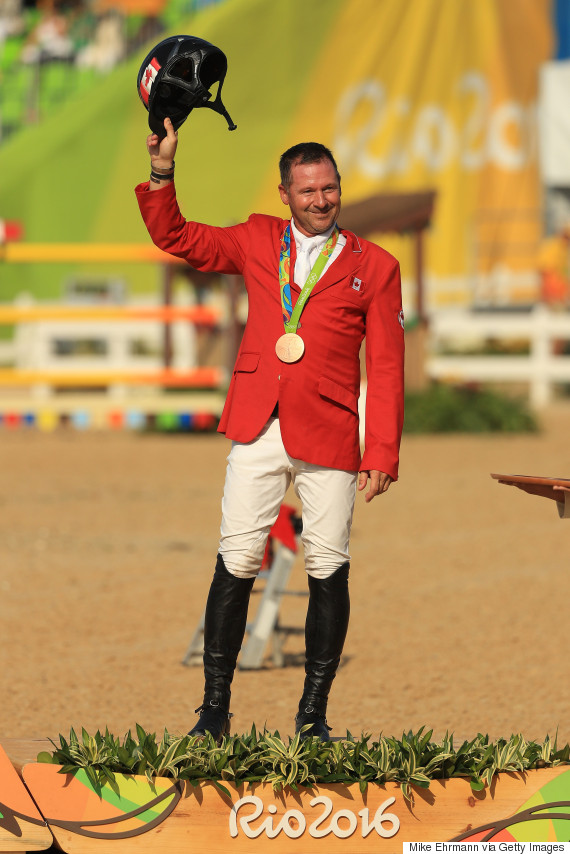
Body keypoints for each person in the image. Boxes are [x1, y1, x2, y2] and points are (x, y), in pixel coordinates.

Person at [135, 117, 405, 742]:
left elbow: (387, 366)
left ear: (340, 188)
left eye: (330, 188)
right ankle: (213, 712)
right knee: (235, 560)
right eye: (308, 190)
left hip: (333, 432)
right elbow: (178, 236)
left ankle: (312, 717)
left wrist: (382, 451)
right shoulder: (258, 240)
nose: (321, 200)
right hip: (258, 423)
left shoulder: (376, 265)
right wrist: (162, 170)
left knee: (327, 566)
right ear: (284, 193)